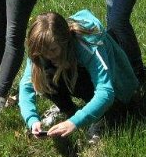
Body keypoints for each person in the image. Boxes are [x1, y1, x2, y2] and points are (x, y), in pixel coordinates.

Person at [18, 10, 138, 142]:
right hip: (72, 73)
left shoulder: (88, 44)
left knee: (80, 79)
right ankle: (69, 110)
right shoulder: (41, 47)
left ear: (65, 41)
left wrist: (74, 122)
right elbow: (26, 85)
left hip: (117, 89)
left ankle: (101, 117)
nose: (48, 56)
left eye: (53, 50)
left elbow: (106, 92)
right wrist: (32, 119)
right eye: (43, 52)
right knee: (43, 75)